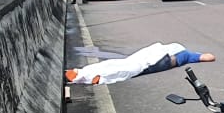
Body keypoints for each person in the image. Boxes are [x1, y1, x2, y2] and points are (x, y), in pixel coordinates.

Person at [65, 43, 215, 85]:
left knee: (122, 65)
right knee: (128, 68)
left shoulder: (184, 52)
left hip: (154, 55)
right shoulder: (188, 55)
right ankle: (88, 76)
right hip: (159, 59)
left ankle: (81, 73)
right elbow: (209, 57)